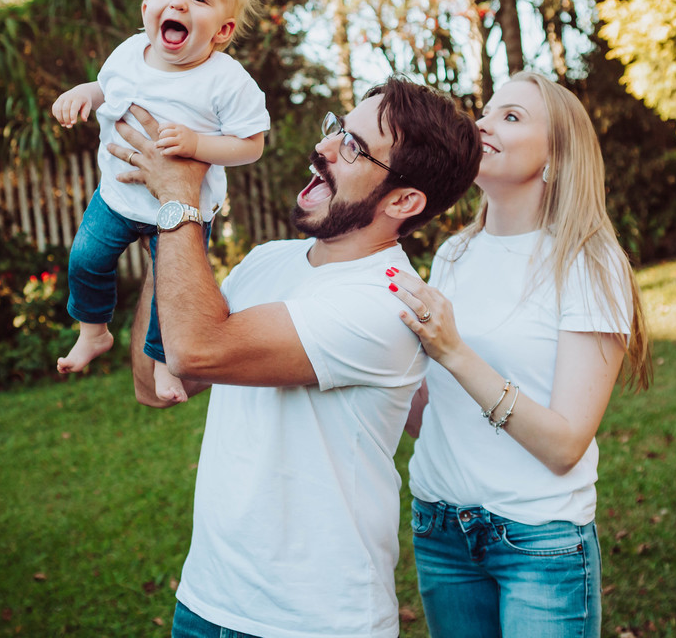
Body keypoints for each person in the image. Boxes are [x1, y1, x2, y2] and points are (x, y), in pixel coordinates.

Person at [110, 76, 481, 638]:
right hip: (206, 600)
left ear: (404, 201)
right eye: (338, 129)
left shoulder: (384, 303)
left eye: (354, 147)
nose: (324, 148)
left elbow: (196, 349)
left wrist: (177, 205)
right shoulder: (268, 261)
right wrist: (160, 229)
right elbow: (157, 380)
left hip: (313, 621)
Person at [385, 71, 652, 638]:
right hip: (440, 529)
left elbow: (564, 445)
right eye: (486, 113)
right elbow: (438, 415)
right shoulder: (455, 253)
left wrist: (454, 352)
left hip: (537, 541)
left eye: (511, 116)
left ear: (556, 155)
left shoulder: (589, 261)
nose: (483, 124)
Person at [51, 0, 270, 403]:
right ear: (147, 6)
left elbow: (251, 146)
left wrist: (197, 145)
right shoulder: (130, 53)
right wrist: (83, 96)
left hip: (182, 208)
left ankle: (164, 362)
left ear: (223, 30)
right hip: (117, 196)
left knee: (168, 297)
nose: (178, 3)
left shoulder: (226, 80)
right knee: (85, 260)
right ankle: (94, 331)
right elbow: (106, 88)